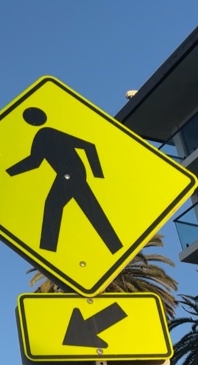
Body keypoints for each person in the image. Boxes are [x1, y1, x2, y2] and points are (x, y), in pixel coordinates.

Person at [7, 106, 122, 254]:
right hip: (70, 174)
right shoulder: (44, 135)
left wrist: (98, 175)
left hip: (71, 175)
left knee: (54, 205)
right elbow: (35, 162)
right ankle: (115, 246)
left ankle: (48, 250)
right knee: (89, 209)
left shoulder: (46, 133)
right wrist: (9, 172)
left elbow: (88, 146)